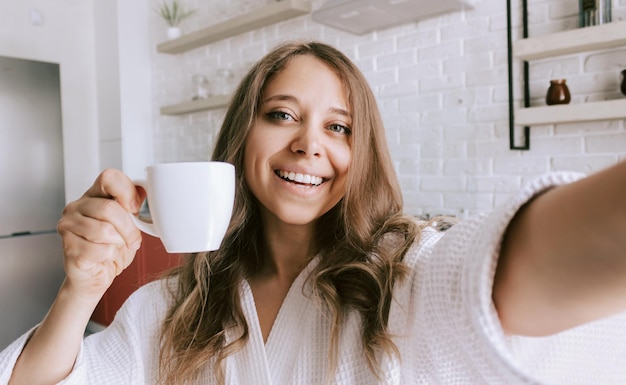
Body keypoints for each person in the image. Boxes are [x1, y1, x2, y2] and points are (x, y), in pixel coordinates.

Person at [1, 40, 626, 385]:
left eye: (339, 126)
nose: (309, 143)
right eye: (282, 115)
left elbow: (513, 274)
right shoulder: (175, 305)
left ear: (363, 152)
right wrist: (80, 290)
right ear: (243, 139)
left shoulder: (402, 277)